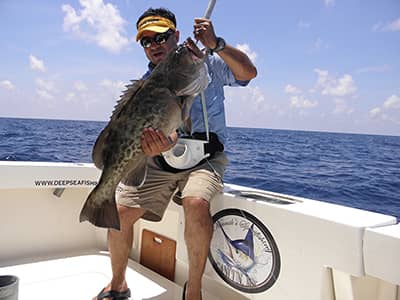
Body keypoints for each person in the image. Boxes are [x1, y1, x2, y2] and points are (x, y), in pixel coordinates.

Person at [94, 7, 257, 300]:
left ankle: (193, 289)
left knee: (195, 203)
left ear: (177, 36)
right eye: (147, 41)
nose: (155, 45)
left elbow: (248, 73)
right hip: (158, 159)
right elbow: (163, 131)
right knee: (119, 212)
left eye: (162, 37)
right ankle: (118, 284)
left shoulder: (206, 64)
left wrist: (216, 44)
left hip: (206, 159)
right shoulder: (146, 86)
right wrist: (159, 146)